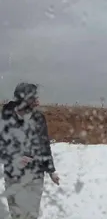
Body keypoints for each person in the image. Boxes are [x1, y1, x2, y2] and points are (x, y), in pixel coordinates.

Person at [0, 82, 60, 219]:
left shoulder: (39, 118)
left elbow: (44, 145)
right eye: (33, 98)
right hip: (14, 175)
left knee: (31, 215)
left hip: (36, 175)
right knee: (17, 214)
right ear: (23, 99)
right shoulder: (6, 118)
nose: (37, 102)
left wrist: (51, 171)